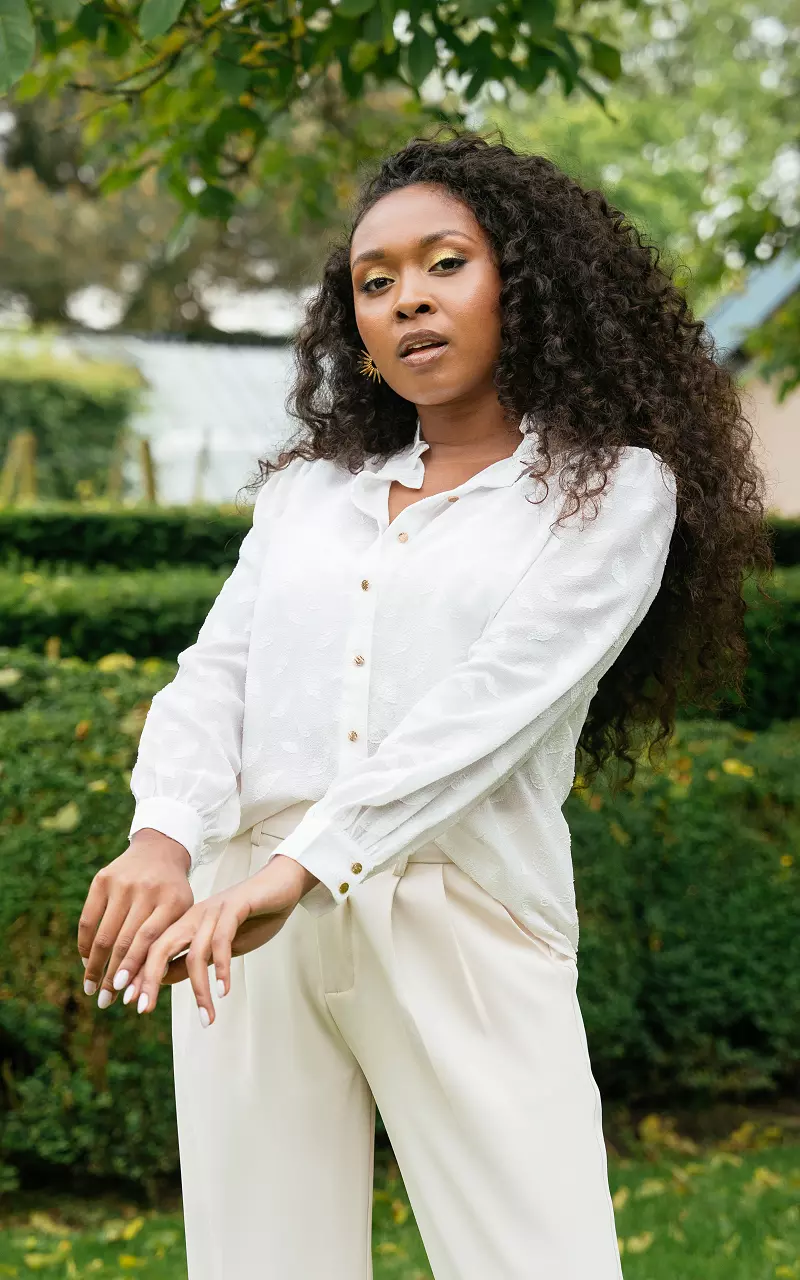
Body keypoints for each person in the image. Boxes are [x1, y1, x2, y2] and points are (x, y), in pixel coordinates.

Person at [77, 128, 772, 1279]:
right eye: (374, 280)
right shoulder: (309, 493)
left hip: (459, 905)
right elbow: (219, 671)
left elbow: (489, 708)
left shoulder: (610, 489)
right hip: (241, 916)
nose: (407, 298)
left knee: (538, 1259)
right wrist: (164, 837)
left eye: (445, 263)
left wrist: (300, 867)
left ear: (525, 282)